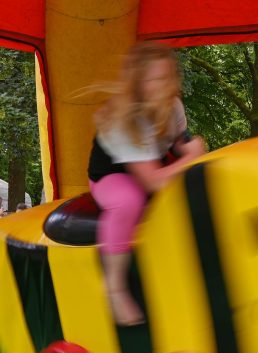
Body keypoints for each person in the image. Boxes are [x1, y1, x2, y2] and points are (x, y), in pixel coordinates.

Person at [87, 41, 206, 325]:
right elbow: (153, 182)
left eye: (168, 78)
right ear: (138, 84)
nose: (164, 86)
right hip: (111, 176)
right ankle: (114, 286)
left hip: (151, 166)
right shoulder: (127, 120)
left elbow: (179, 140)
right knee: (129, 200)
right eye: (155, 80)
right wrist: (191, 159)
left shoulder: (172, 105)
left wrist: (188, 149)